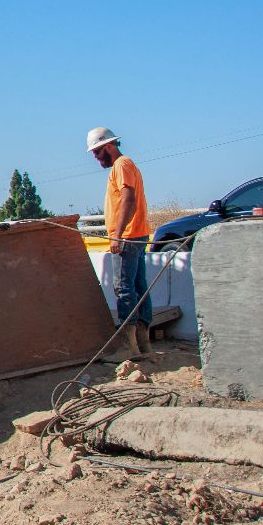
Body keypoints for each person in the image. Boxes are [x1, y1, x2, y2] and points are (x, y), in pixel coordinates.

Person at [87, 127, 152, 359]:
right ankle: (143, 343)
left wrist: (117, 234)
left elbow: (128, 198)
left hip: (127, 237)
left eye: (96, 152)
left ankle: (129, 346)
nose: (95, 158)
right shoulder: (126, 165)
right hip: (136, 234)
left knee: (124, 289)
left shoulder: (121, 165)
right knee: (137, 286)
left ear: (108, 147)